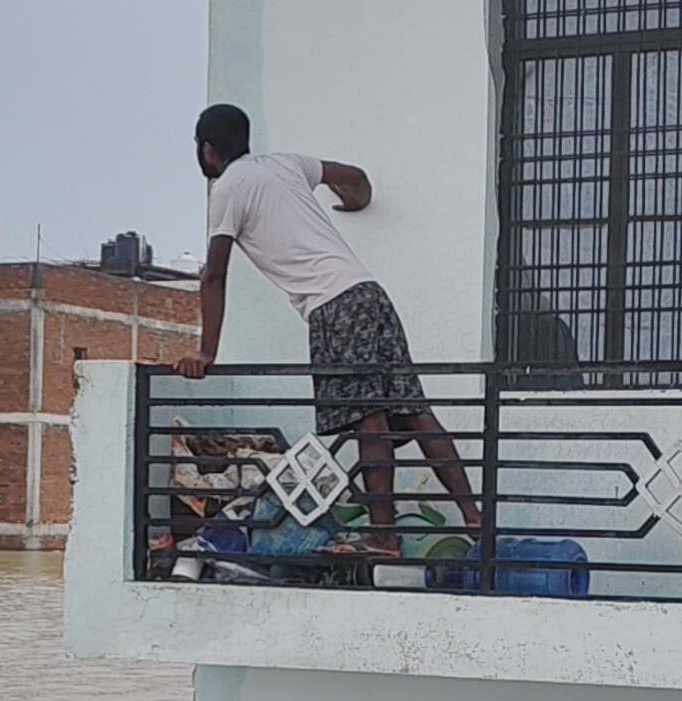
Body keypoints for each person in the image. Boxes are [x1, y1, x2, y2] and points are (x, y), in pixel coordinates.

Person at [179, 103, 480, 557]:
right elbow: (353, 177)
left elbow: (214, 276)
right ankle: (476, 520)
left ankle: (384, 537)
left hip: (332, 307)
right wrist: (355, 203)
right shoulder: (286, 164)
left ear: (207, 150)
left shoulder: (227, 190)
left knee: (368, 419)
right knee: (416, 412)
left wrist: (206, 352)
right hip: (370, 294)